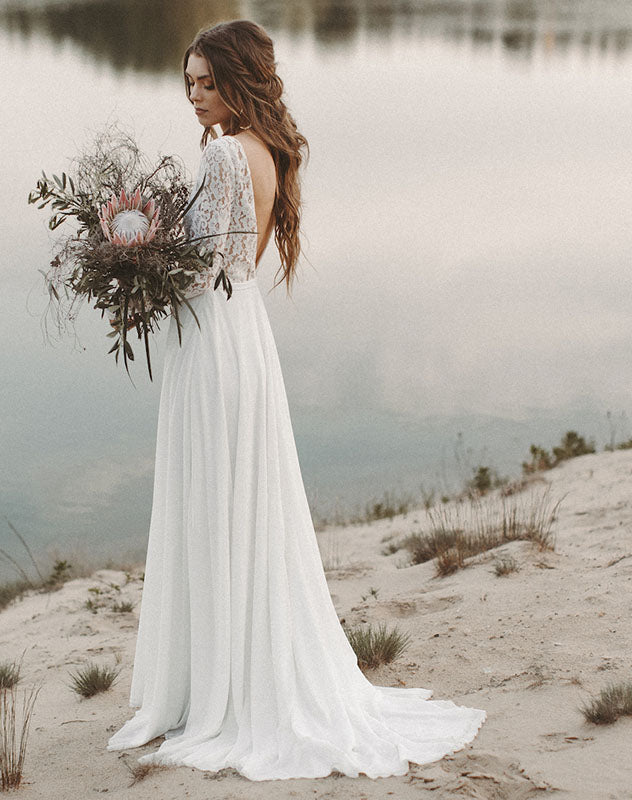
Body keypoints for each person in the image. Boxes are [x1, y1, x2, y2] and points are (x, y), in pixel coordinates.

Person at [106, 19, 486, 781]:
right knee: (243, 500)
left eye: (207, 83)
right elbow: (234, 261)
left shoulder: (220, 156)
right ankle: (235, 674)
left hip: (212, 338)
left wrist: (132, 259)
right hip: (244, 336)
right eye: (188, 82)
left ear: (239, 81)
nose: (194, 96)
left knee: (213, 497)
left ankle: (216, 695)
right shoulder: (268, 150)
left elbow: (202, 270)